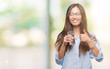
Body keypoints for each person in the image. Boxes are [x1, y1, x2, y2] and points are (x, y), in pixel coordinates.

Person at [54, 3, 103, 69]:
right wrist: (64, 44)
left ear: (82, 16)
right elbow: (58, 61)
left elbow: (99, 58)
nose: (74, 17)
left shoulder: (90, 36)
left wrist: (89, 41)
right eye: (71, 14)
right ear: (68, 17)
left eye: (77, 14)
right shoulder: (62, 36)